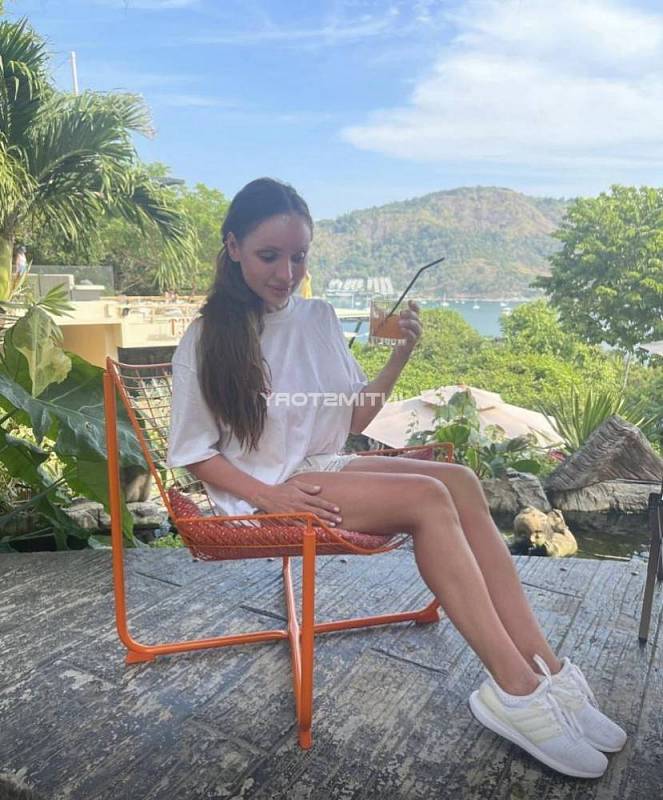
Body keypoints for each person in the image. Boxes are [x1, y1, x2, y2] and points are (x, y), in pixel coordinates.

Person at [167, 177, 626, 779]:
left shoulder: (318, 316)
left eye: (299, 256)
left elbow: (355, 418)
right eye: (269, 255)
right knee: (428, 498)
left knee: (459, 480)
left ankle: (547, 669)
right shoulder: (207, 338)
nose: (286, 273)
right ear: (233, 247)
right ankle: (514, 690)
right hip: (267, 493)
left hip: (320, 469)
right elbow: (193, 452)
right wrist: (267, 494)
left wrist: (400, 355)